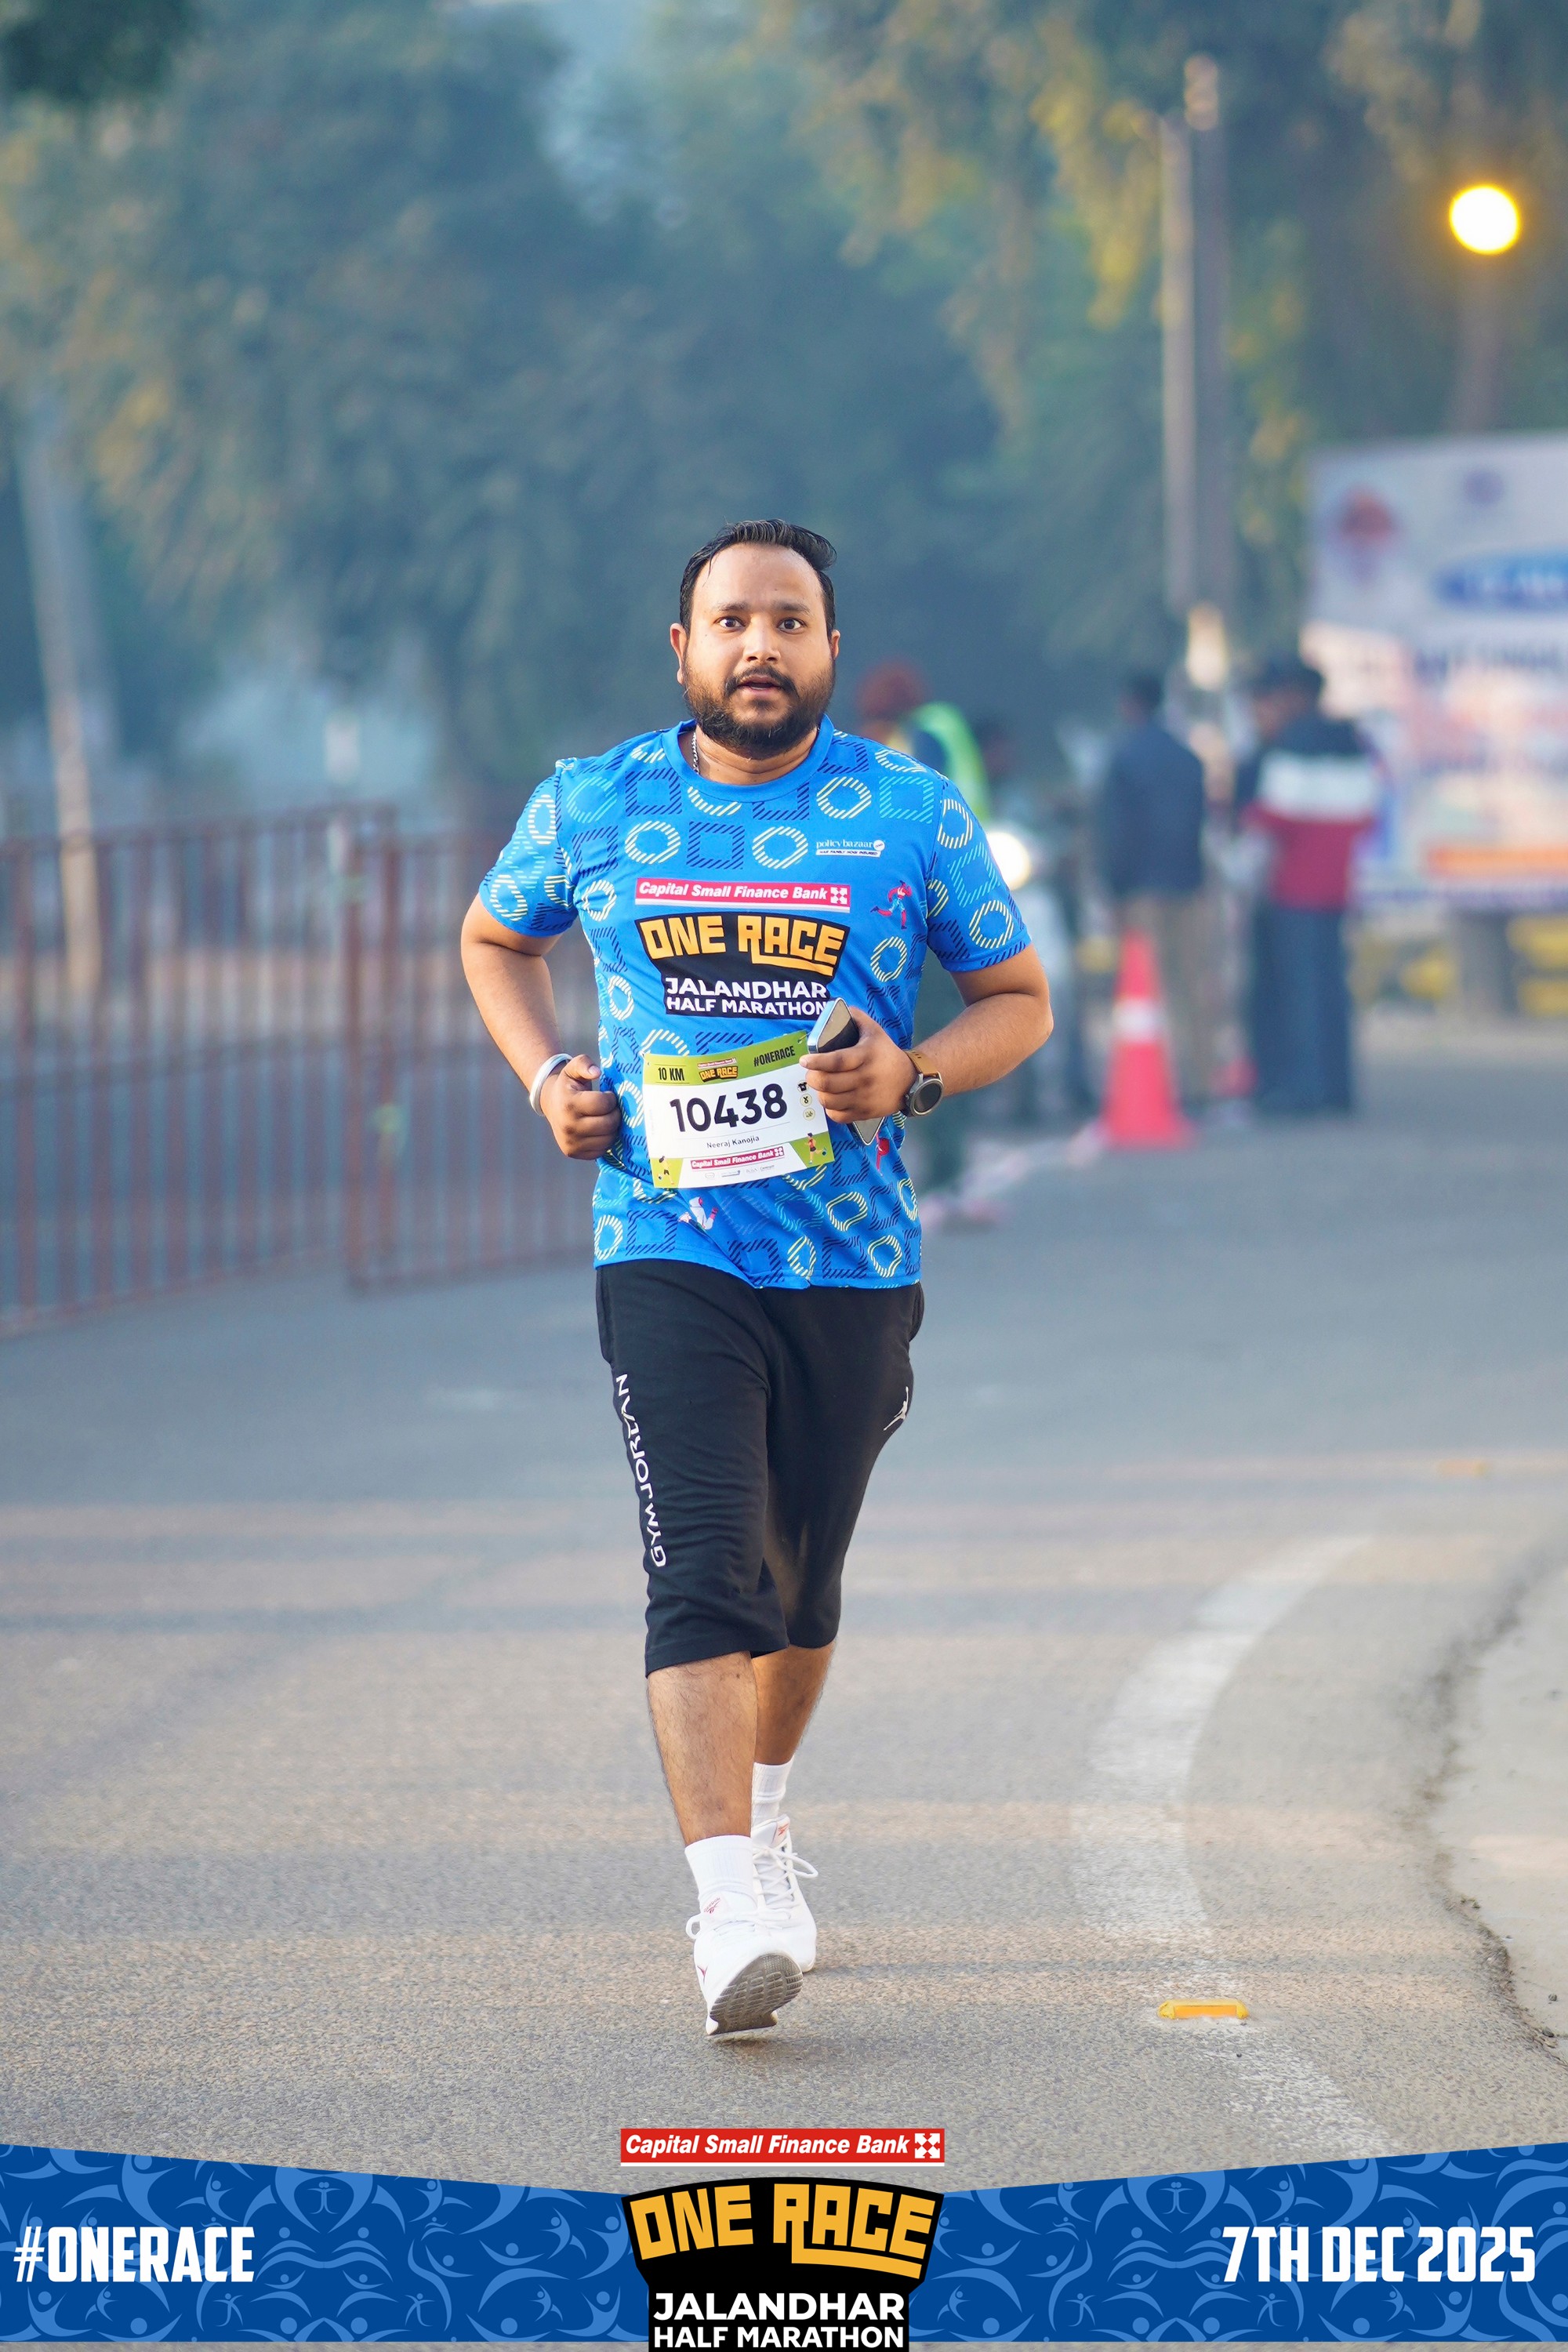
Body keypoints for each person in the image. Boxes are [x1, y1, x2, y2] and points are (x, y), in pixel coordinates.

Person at [460, 520, 1051, 2038]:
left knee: (799, 1588)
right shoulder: (594, 802)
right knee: (705, 1570)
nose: (759, 648)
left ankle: (767, 1812)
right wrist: (545, 1079)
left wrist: (912, 1074)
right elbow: (492, 938)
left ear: (829, 647)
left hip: (850, 1258)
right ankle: (726, 1904)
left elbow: (1018, 999)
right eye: (731, 621)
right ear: (684, 649)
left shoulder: (907, 811)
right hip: (666, 1243)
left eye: (789, 622)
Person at [1233, 654, 1379, 1116]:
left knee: (1296, 993)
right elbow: (1367, 815)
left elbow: (1272, 818)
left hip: (1291, 887)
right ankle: (1337, 1087)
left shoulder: (1291, 744)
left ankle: (1302, 1088)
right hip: (1336, 886)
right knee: (1331, 989)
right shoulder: (1353, 741)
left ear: (1294, 696)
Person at [1094, 671, 1213, 1109]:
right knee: (1192, 984)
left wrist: (1114, 887)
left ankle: (1153, 1085)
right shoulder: (1188, 757)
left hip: (1141, 889)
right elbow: (1201, 822)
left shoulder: (1123, 757)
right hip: (1188, 882)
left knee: (1145, 989)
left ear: (1129, 703)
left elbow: (1116, 831)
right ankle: (1200, 1083)